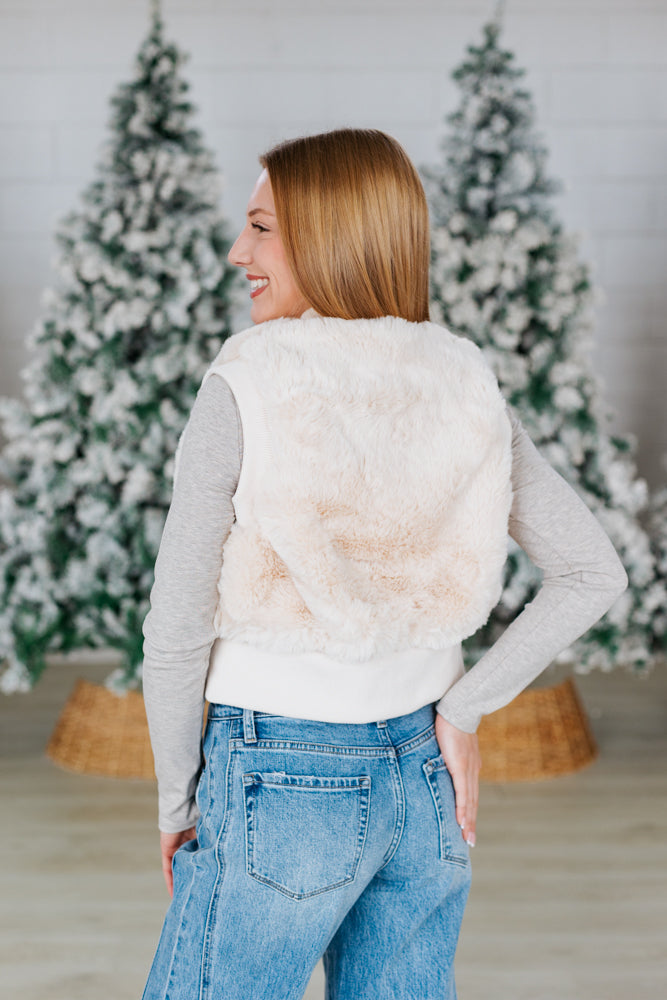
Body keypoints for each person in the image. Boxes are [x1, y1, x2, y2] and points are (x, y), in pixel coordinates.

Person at [141, 129, 627, 1000]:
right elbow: (593, 571)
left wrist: (178, 803)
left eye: (261, 228)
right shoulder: (464, 382)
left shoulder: (246, 385)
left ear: (329, 238)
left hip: (277, 776)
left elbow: (176, 631)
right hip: (423, 779)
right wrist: (462, 710)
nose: (237, 251)